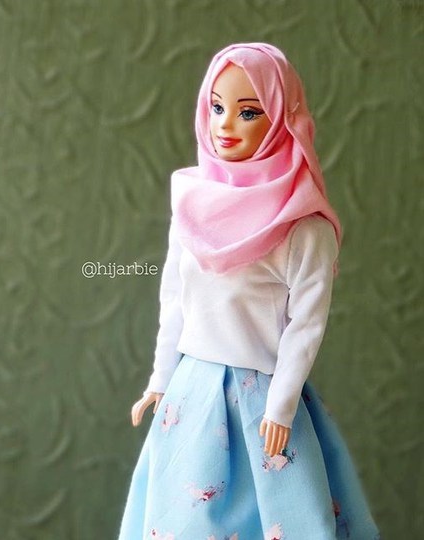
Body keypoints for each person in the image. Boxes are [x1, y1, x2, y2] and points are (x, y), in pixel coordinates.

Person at [118, 43, 381, 540]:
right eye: (216, 107)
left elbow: (306, 325)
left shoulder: (303, 228)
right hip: (190, 396)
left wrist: (280, 407)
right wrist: (160, 378)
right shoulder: (192, 206)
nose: (225, 125)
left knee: (278, 515)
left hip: (262, 401)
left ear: (282, 118)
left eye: (248, 112)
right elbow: (174, 299)